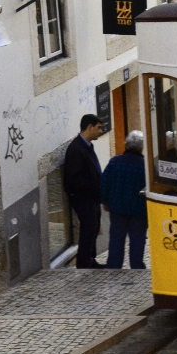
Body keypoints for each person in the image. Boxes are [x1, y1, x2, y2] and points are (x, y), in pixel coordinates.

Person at [63, 114, 106, 269]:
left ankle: (90, 259)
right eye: (99, 128)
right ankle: (84, 262)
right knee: (88, 228)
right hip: (83, 198)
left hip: (92, 196)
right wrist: (93, 187)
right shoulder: (76, 149)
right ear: (89, 127)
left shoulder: (87, 146)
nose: (101, 131)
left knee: (94, 227)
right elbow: (73, 179)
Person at [101, 131, 148, 269]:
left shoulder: (114, 162)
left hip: (117, 207)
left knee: (116, 237)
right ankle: (137, 266)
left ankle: (114, 265)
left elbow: (105, 183)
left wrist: (105, 201)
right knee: (138, 239)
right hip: (139, 208)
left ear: (126, 145)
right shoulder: (145, 165)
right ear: (141, 147)